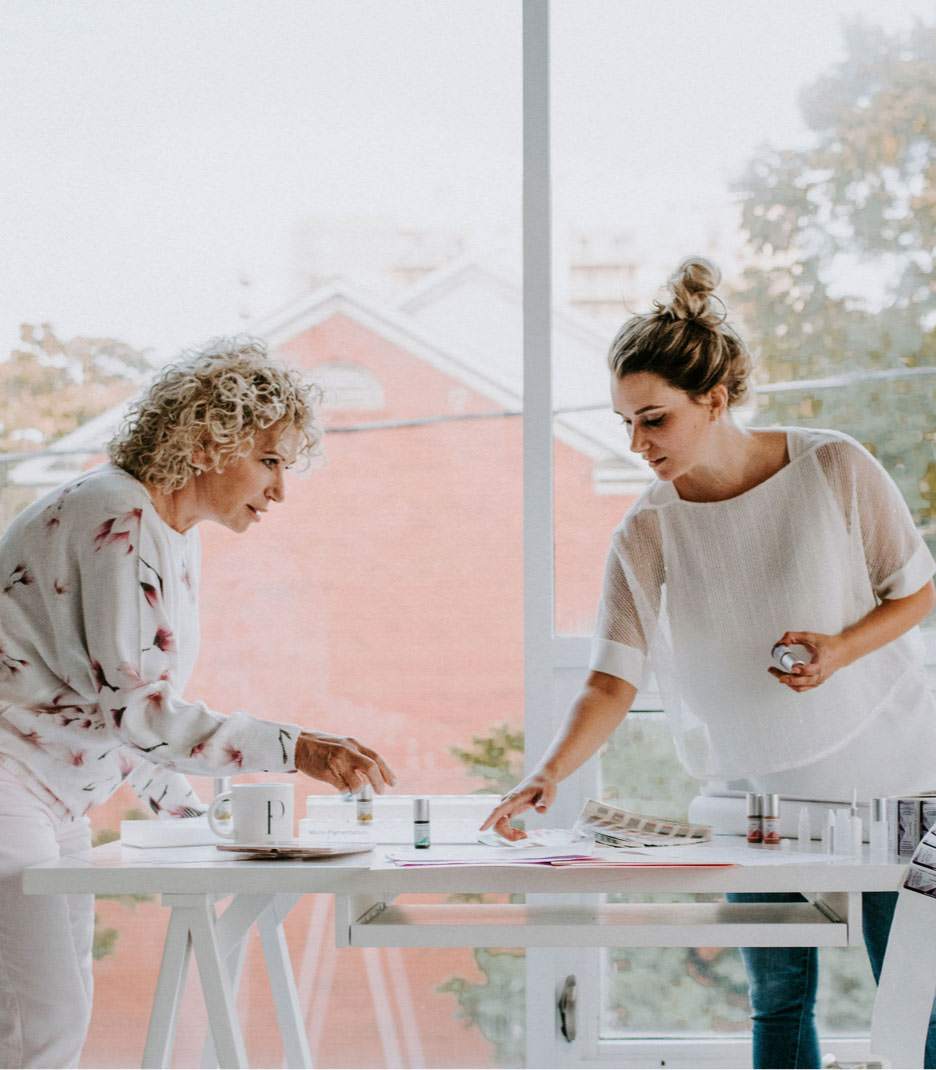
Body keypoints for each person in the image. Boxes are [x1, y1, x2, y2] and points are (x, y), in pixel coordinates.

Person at [482, 258, 936, 1069]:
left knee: (913, 993)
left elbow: (917, 593)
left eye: (653, 419)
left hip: (893, 781)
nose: (637, 443)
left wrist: (839, 650)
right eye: (626, 423)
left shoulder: (833, 466)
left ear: (715, 399)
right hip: (755, 794)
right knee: (777, 997)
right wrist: (546, 774)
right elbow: (610, 678)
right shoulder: (646, 528)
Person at [0, 336, 396, 1069]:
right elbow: (142, 715)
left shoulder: (165, 531)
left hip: (52, 796)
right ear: (210, 442)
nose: (279, 490)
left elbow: (120, 709)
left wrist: (193, 824)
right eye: (269, 461)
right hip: (10, 784)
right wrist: (298, 748)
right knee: (42, 1022)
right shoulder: (116, 517)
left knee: (49, 1015)